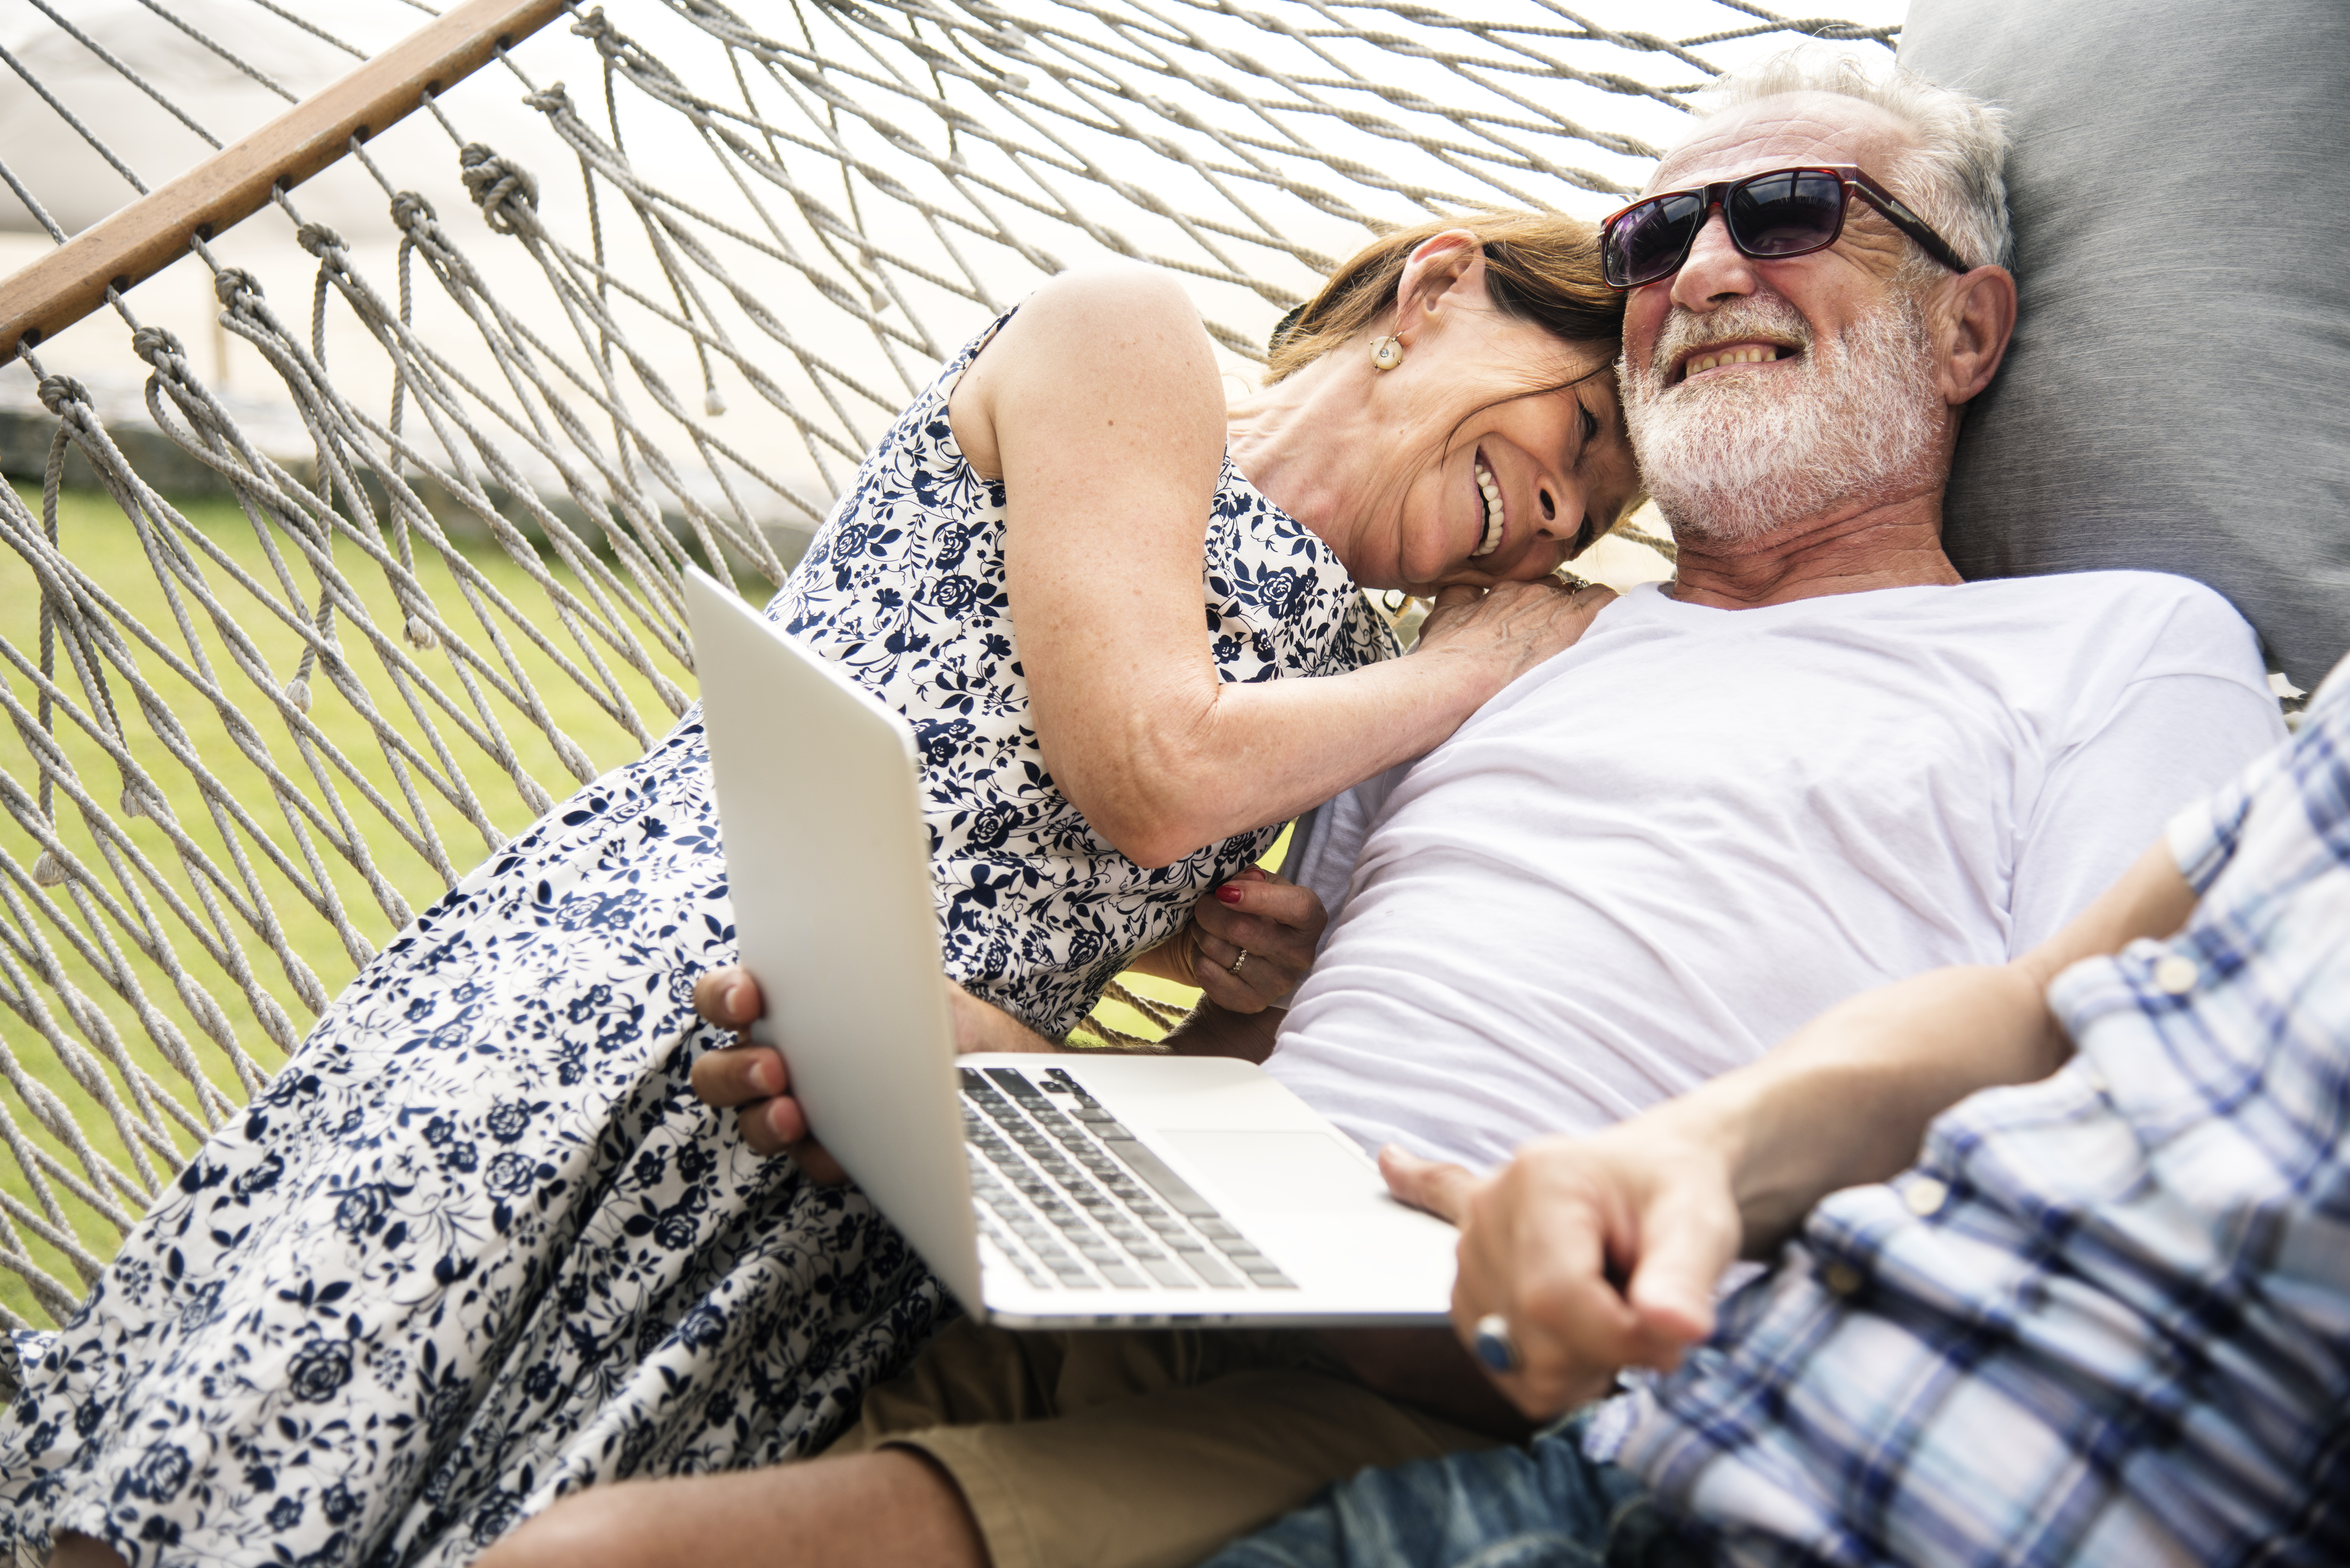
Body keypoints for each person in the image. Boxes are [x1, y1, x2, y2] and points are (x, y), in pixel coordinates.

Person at [477, 51, 2291, 1568]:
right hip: (1153, 1276)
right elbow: (1261, 1067)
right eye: (1657, 236)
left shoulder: (2115, 646)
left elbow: (2108, 1077)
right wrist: (957, 1062)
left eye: (1792, 212)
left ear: (1966, 328)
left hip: (1486, 1368)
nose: (1707, 266)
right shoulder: (1505, 647)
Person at [0, 211, 1641, 1568]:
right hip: (631, 970)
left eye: (1593, 512)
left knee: (531, 1517)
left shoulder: (1350, 693)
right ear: (1435, 287)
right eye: (1580, 429)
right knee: (250, 1444)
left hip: (848, 1163)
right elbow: (1147, 767)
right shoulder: (1124, 344)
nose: (1562, 511)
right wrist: (1483, 662)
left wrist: (1235, 996)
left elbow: (1160, 1075)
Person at [1202, 630, 2350, 1568]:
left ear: (1966, 337)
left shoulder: (2132, 640)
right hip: (1644, 1465)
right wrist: (1690, 1153)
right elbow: (2043, 1007)